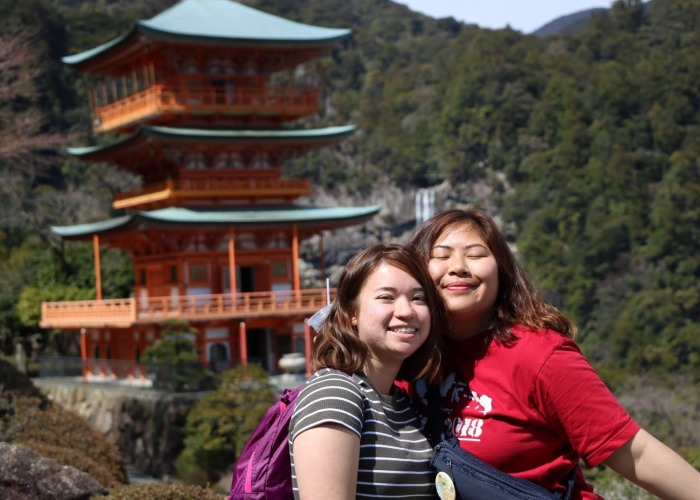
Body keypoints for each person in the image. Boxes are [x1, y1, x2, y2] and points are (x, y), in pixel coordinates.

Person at [406, 208, 700, 499]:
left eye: (476, 255)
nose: (458, 266)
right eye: (441, 256)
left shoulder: (540, 356)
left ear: (502, 271)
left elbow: (635, 452)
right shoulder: (403, 358)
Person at [289, 244, 449, 499]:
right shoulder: (335, 393)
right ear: (353, 313)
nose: (407, 311)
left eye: (418, 298)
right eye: (386, 297)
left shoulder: (402, 402)